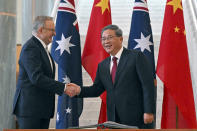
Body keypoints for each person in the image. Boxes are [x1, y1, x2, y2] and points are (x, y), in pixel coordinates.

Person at [66, 24, 156, 129]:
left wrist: (149, 111)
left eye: (110, 38)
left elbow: (148, 85)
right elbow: (96, 89)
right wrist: (79, 90)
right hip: (113, 118)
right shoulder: (102, 65)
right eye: (103, 39)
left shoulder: (136, 57)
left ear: (120, 39)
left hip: (136, 117)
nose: (106, 42)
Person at [13, 16, 73, 129]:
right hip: (30, 110)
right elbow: (37, 78)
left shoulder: (42, 48)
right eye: (52, 30)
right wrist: (63, 87)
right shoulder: (31, 47)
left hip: (41, 110)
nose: (55, 33)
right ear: (41, 30)